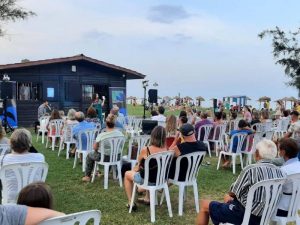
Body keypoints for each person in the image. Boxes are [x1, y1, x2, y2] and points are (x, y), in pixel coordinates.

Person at [196, 139, 285, 225]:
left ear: (257, 153)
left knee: (205, 204)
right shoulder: (281, 173)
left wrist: (230, 196)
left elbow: (233, 192)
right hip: (265, 216)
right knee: (229, 200)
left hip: (244, 215)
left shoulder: (251, 170)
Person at [124, 126, 167, 209]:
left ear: (152, 136)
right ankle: (147, 198)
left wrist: (134, 170)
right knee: (149, 171)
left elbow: (138, 165)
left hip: (148, 179)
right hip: (161, 180)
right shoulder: (167, 150)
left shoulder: (146, 150)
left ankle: (131, 202)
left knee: (127, 174)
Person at [82, 114, 124, 182]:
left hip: (104, 157)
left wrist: (98, 148)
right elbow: (121, 146)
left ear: (105, 123)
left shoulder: (101, 135)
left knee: (89, 155)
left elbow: (95, 148)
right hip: (117, 157)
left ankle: (87, 176)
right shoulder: (121, 134)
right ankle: (108, 173)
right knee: (108, 153)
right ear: (115, 123)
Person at [276, 138, 300, 217]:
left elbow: (276, 190)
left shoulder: (283, 171)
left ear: (283, 152)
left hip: (284, 208)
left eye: (279, 149)